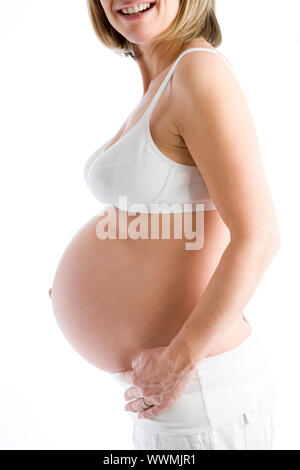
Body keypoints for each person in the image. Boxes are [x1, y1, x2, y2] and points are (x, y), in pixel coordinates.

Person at [58, 0, 281, 450]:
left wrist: (178, 362)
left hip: (199, 393)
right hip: (169, 399)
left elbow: (259, 238)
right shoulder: (163, 81)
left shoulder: (198, 73)